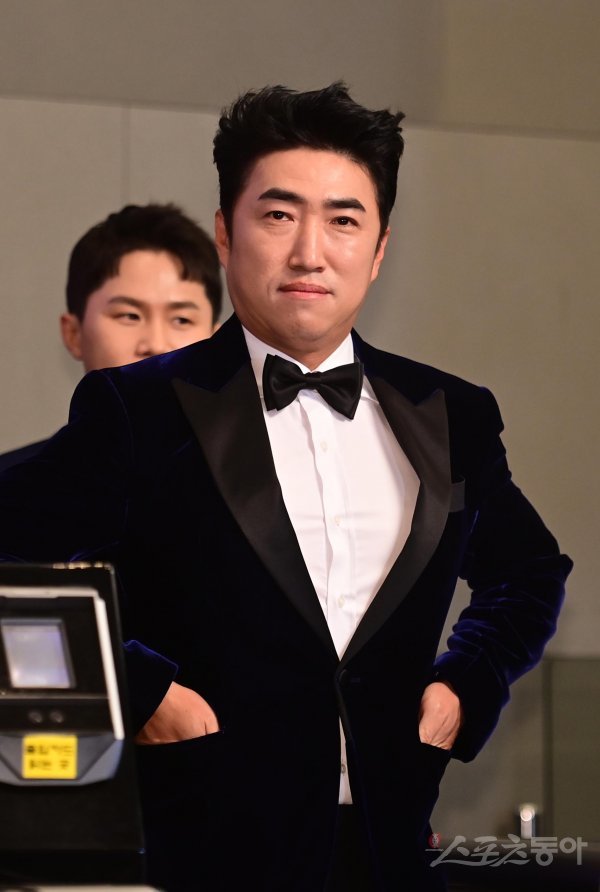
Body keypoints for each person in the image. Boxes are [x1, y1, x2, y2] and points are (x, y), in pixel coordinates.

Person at [0, 84, 572, 891]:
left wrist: (466, 684)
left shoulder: (451, 413)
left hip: (390, 854)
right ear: (225, 234)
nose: (310, 252)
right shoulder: (137, 408)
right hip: (201, 858)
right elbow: (14, 572)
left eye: (344, 221)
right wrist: (141, 689)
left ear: (379, 249)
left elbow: (530, 573)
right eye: (278, 215)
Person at [0, 202, 222, 471]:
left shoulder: (257, 482)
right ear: (74, 334)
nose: (156, 345)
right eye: (129, 316)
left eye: (181, 320)